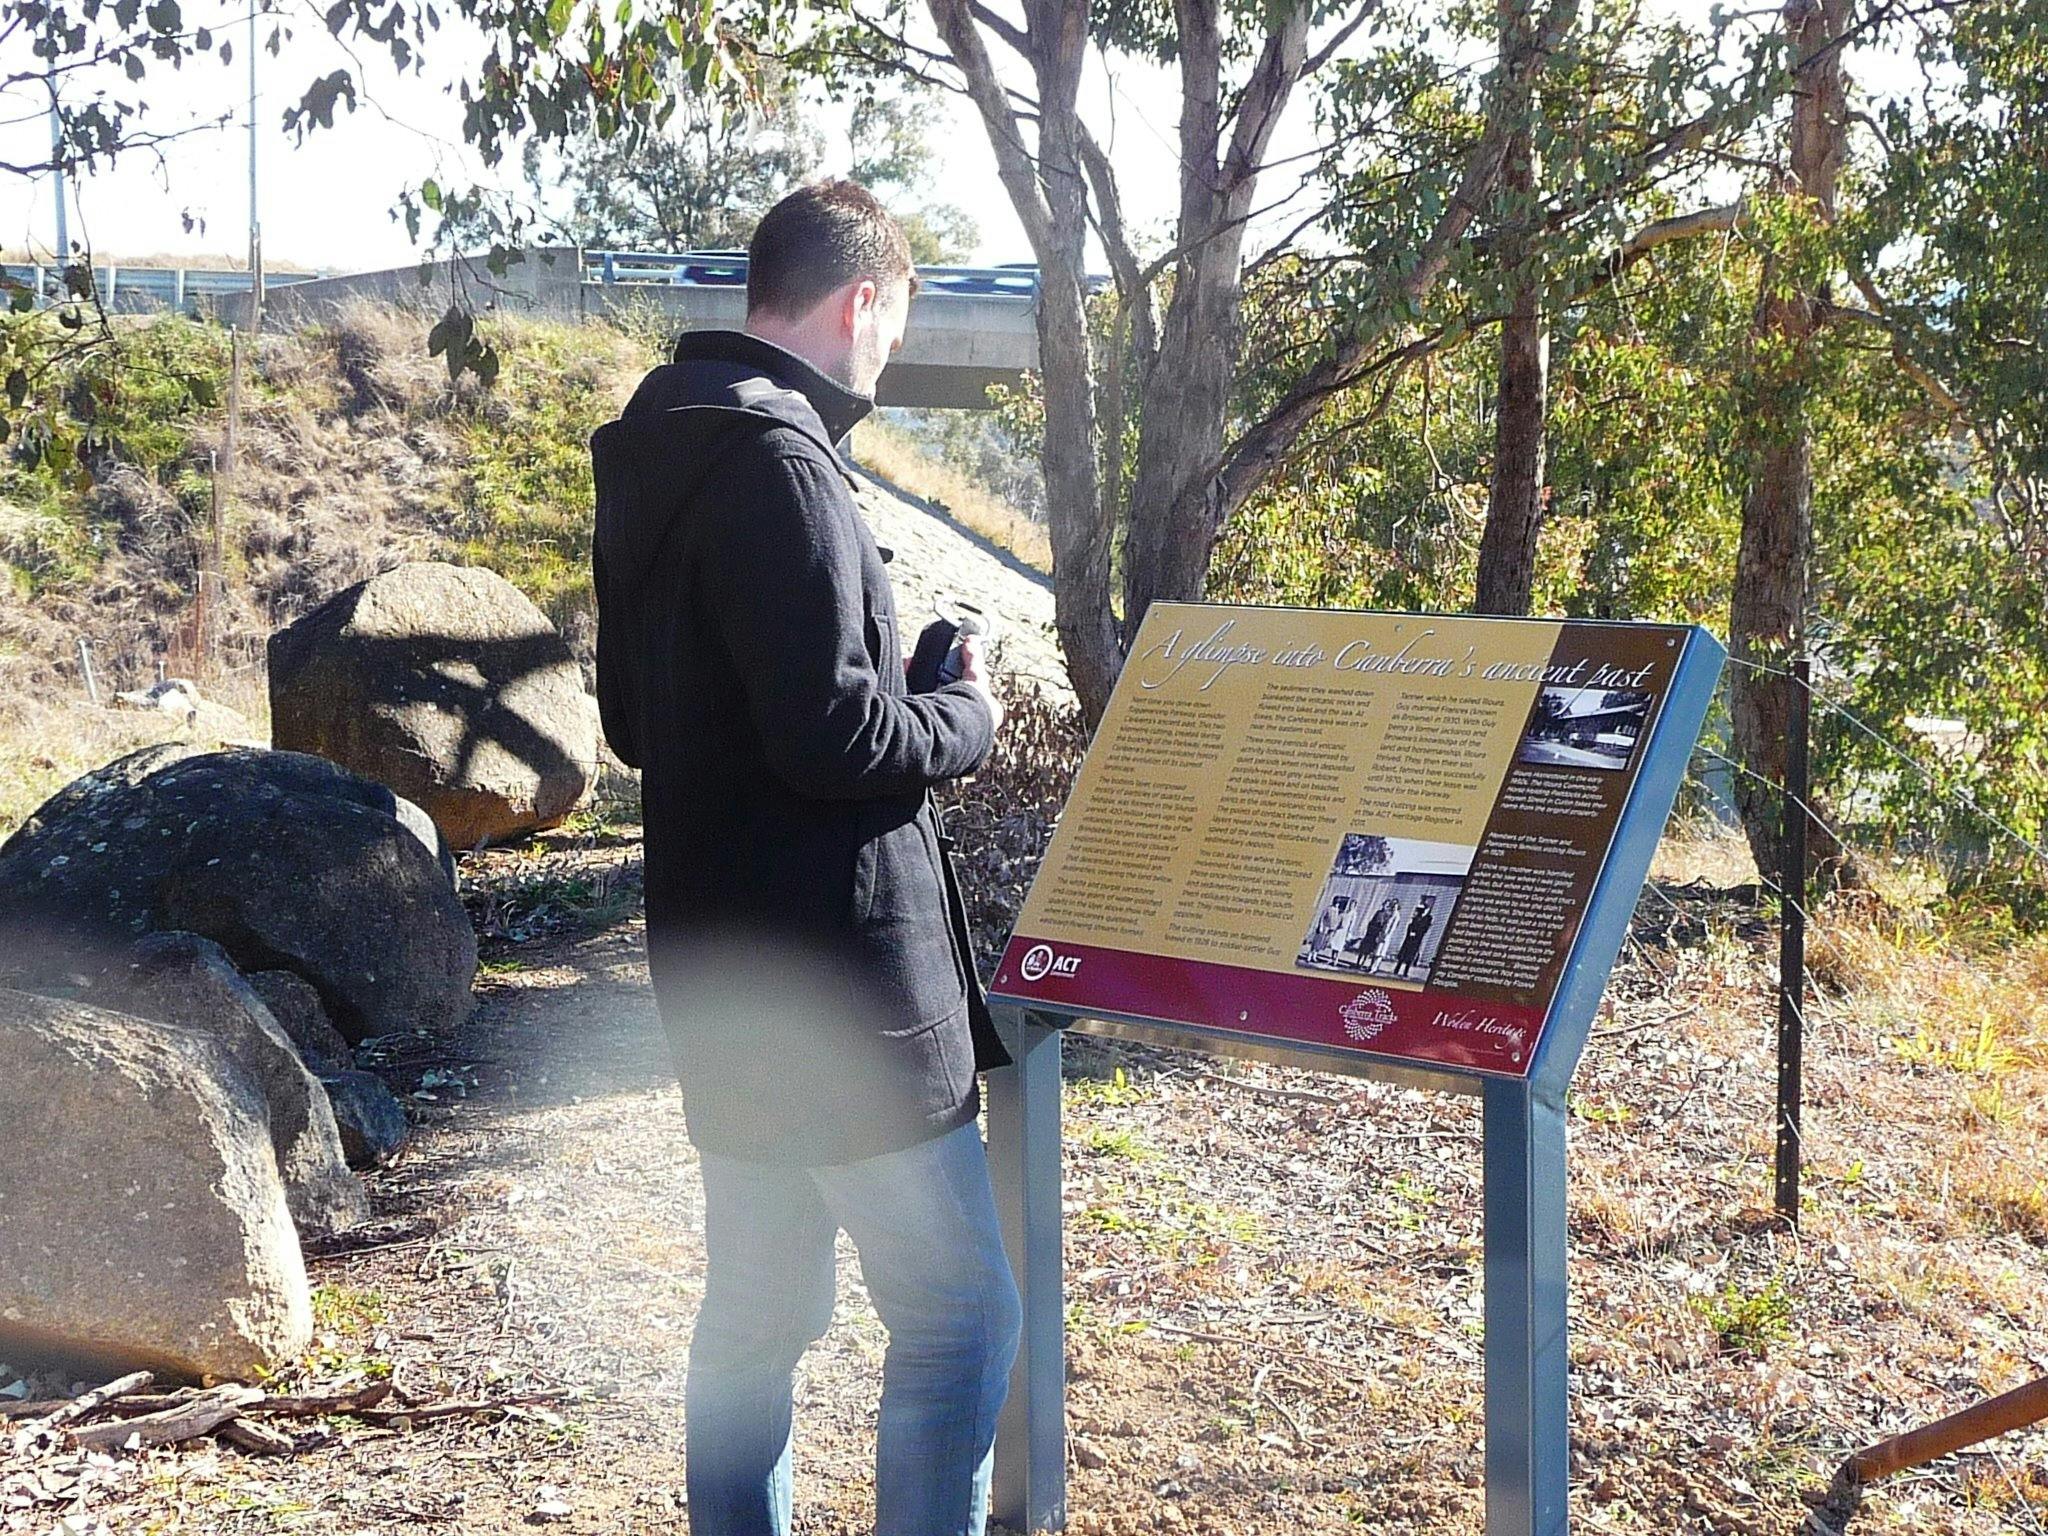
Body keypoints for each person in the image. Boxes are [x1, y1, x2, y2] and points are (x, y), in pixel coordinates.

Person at [589, 180, 1020, 1536]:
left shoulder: (662, 441)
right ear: (863, 301)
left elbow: (637, 721)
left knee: (758, 1322)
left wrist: (863, 682)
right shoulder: (784, 462)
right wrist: (962, 710)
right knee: (960, 1320)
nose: (887, 359)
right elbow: (839, 741)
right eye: (891, 327)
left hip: (724, 982)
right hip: (846, 1000)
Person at [1392, 895, 1438, 978]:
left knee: (1410, 955)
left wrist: (1416, 933)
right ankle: (1396, 969)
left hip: (1416, 940)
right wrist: (1410, 931)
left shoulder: (1428, 918)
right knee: (1403, 954)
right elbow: (1411, 924)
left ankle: (1405, 971)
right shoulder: (1417, 917)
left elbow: (1425, 929)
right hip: (1409, 938)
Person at [1359, 898, 1395, 974]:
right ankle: (1358, 963)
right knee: (1363, 947)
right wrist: (1369, 929)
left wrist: (1379, 933)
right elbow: (1372, 921)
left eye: (1387, 905)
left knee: (1372, 950)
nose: (1385, 906)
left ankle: (1366, 964)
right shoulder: (1378, 912)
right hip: (1371, 932)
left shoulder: (1387, 915)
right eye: (1384, 904)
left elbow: (1384, 925)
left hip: (1377, 933)